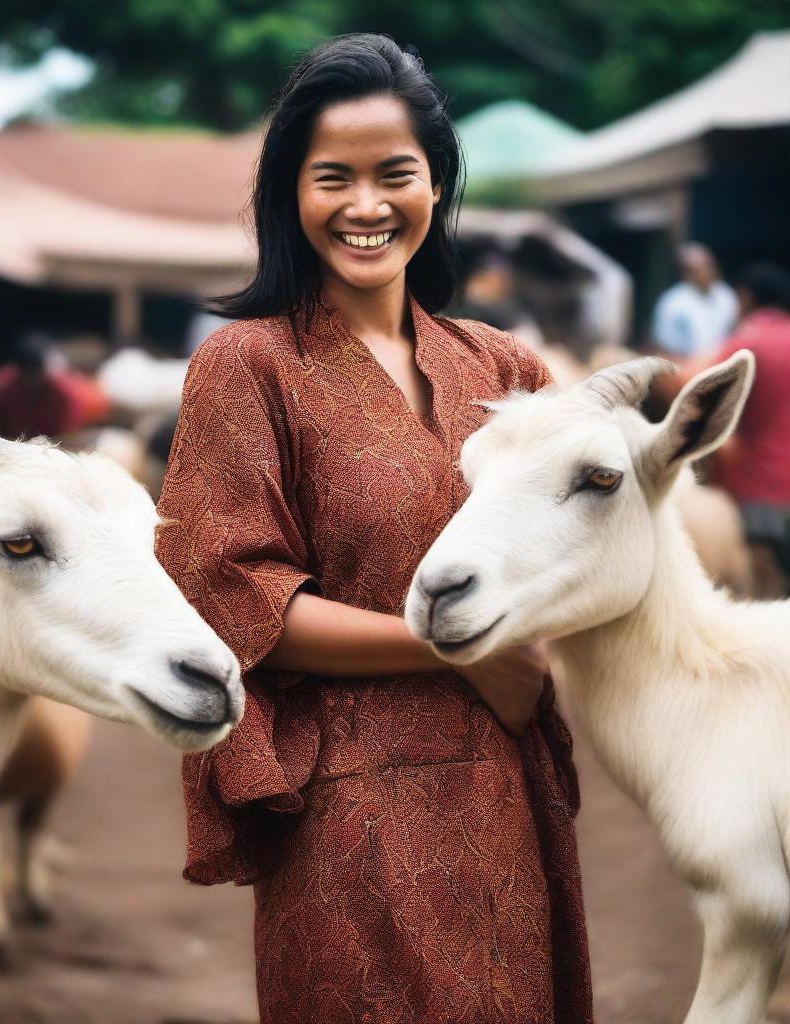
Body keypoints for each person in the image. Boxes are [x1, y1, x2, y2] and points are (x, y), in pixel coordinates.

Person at [155, 35, 591, 1024]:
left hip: (506, 793)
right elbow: (226, 597)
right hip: (350, 812)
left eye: (393, 174)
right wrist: (457, 651)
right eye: (330, 178)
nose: (363, 206)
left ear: (435, 183)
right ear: (290, 194)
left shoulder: (505, 369)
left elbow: (588, 543)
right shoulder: (245, 365)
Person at [662, 263, 790, 596]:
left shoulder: (752, 341)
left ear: (745, 299)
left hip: (760, 493)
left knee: (762, 597)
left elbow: (691, 383)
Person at [0, 335, 110, 439]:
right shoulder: (1, 388)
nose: (33, 380)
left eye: (36, 372)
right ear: (19, 371)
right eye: (28, 373)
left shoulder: (66, 394)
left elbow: (68, 440)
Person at [651, 242, 737, 358]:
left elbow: (735, 332)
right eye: (698, 269)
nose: (706, 272)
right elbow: (663, 345)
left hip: (723, 364)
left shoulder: (726, 295)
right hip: (686, 368)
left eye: (708, 266)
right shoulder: (671, 302)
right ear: (686, 273)